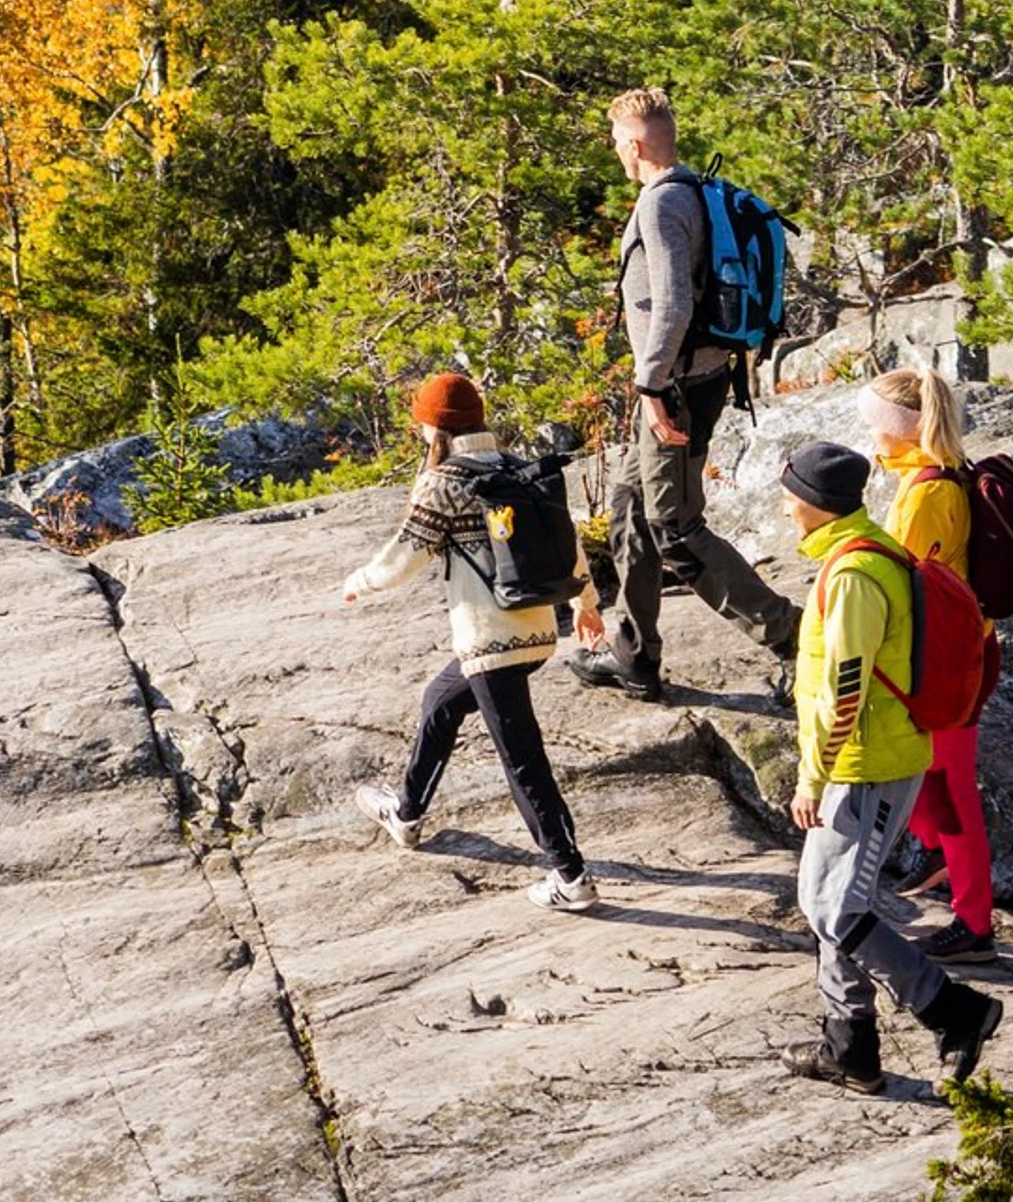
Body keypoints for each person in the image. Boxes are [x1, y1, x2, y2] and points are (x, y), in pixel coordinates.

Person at [777, 438, 1004, 1095]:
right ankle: (850, 1048)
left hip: (866, 764)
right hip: (865, 756)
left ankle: (954, 1010)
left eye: (792, 493)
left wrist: (812, 777)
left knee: (838, 908)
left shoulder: (853, 575)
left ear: (816, 504)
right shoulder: (859, 553)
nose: (786, 504)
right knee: (825, 904)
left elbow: (845, 687)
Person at [569, 88, 799, 701]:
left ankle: (791, 638)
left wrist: (650, 385)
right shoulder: (698, 191)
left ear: (635, 144)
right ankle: (635, 656)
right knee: (627, 509)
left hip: (674, 386)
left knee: (672, 524)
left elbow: (672, 301)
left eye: (618, 142)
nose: (616, 152)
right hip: (697, 376)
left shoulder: (660, 206)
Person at [341, 370, 598, 914]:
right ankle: (406, 814)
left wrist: (360, 583)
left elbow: (407, 553)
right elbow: (567, 541)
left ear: (432, 428)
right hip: (534, 629)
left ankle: (571, 878)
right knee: (440, 701)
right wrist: (585, 604)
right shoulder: (514, 466)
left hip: (489, 639)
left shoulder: (446, 480)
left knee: (523, 759)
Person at [870, 367, 1000, 962]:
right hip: (956, 653)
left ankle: (975, 925)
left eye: (877, 421)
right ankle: (940, 854)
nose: (869, 431)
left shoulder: (928, 494)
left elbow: (908, 586)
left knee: (950, 787)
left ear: (907, 427)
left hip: (948, 662)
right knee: (926, 775)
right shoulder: (932, 476)